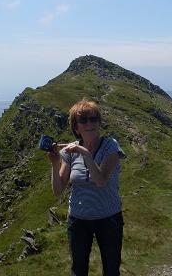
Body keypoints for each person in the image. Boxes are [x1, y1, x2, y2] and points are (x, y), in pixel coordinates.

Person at [47, 98, 125, 276]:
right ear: (76, 128)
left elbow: (101, 181)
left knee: (112, 270)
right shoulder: (71, 152)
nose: (89, 124)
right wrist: (55, 163)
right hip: (78, 219)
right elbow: (58, 190)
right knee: (78, 270)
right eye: (83, 120)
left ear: (99, 123)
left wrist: (86, 154)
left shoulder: (111, 146)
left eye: (93, 119)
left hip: (109, 218)